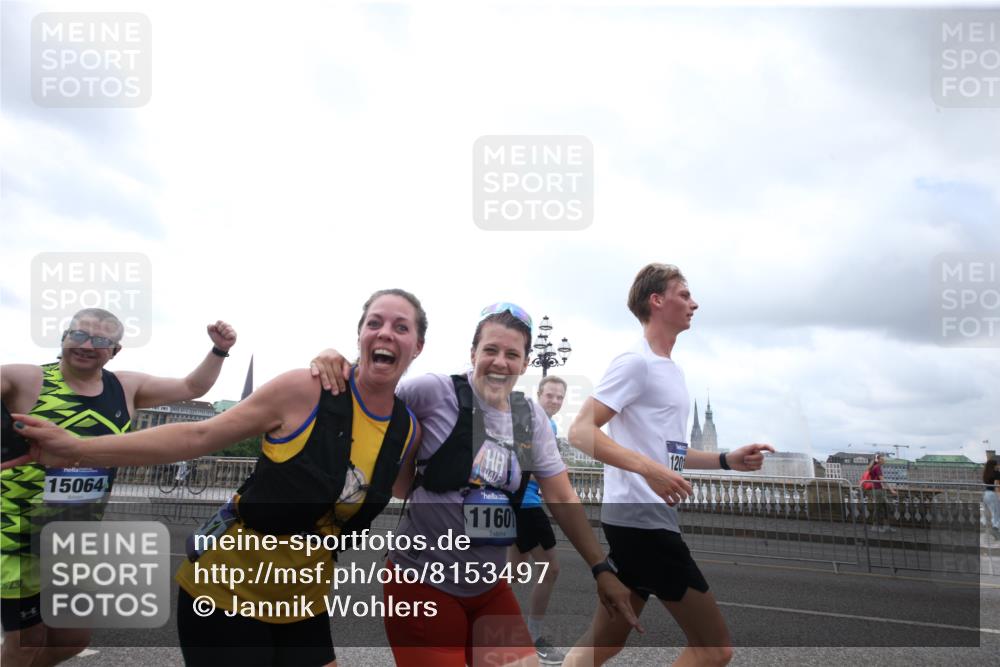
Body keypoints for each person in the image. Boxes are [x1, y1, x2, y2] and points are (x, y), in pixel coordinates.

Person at [17, 289, 426, 667]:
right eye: (374, 323)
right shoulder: (306, 388)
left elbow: (416, 487)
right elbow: (198, 435)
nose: (385, 333)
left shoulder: (406, 430)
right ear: (360, 335)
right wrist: (75, 448)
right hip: (225, 592)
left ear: (418, 347)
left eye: (400, 327)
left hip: (304, 600)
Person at [312, 303, 639, 667]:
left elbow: (561, 494)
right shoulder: (435, 391)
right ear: (473, 354)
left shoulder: (528, 417)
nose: (500, 362)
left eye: (512, 354)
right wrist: (337, 362)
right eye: (491, 350)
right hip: (422, 580)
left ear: (526, 363)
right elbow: (370, 394)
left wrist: (600, 568)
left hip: (487, 587)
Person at [561, 263, 773, 667]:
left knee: (601, 645)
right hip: (643, 521)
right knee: (714, 649)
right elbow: (580, 431)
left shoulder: (670, 370)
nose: (694, 303)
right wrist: (647, 470)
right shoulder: (635, 362)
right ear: (656, 301)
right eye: (684, 294)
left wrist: (727, 460)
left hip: (641, 521)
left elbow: (670, 453)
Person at [1, 308, 236, 667]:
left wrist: (218, 350)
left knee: (71, 638)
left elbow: (192, 387)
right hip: (16, 534)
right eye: (77, 335)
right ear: (63, 338)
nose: (86, 345)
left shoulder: (125, 387)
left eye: (100, 341)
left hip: (73, 538)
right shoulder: (26, 378)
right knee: (29, 641)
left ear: (115, 350)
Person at [509, 375, 567, 664]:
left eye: (559, 397)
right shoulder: (536, 421)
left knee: (512, 573)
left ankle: (477, 622)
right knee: (550, 569)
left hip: (517, 504)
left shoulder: (537, 421)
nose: (554, 401)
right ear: (539, 395)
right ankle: (532, 639)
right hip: (526, 505)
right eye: (550, 396)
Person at [863, 454, 897, 533]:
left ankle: (886, 526)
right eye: (882, 459)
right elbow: (882, 480)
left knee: (886, 508)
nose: (884, 460)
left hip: (878, 490)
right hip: (878, 491)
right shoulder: (877, 467)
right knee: (878, 508)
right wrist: (891, 490)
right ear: (878, 460)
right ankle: (875, 527)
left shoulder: (875, 467)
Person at [982, 458, 1000, 540]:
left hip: (986, 494)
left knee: (993, 513)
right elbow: (996, 485)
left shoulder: (986, 473)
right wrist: (998, 496)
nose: (997, 466)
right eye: (996, 464)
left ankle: (994, 530)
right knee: (997, 514)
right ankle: (995, 529)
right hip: (993, 494)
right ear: (994, 465)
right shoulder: (996, 473)